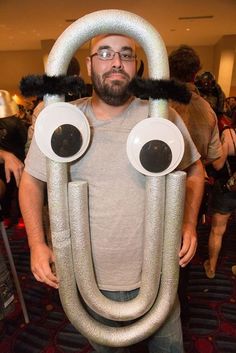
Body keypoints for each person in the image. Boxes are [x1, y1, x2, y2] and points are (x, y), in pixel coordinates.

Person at [19, 34, 205, 353]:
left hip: (157, 276)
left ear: (137, 66)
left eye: (125, 55)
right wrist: (36, 244)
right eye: (104, 54)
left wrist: (187, 224)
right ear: (89, 65)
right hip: (89, 281)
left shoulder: (163, 117)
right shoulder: (62, 122)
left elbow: (195, 172)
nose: (116, 61)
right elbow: (32, 182)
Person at [204, 113, 236, 279]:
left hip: (227, 191)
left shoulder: (229, 135)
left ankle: (212, 266)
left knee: (217, 231)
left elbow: (218, 164)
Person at [0, 90, 27, 225]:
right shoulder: (16, 121)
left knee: (7, 192)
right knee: (19, 190)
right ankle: (20, 219)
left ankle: (6, 217)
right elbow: (24, 139)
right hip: (18, 160)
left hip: (2, 164)